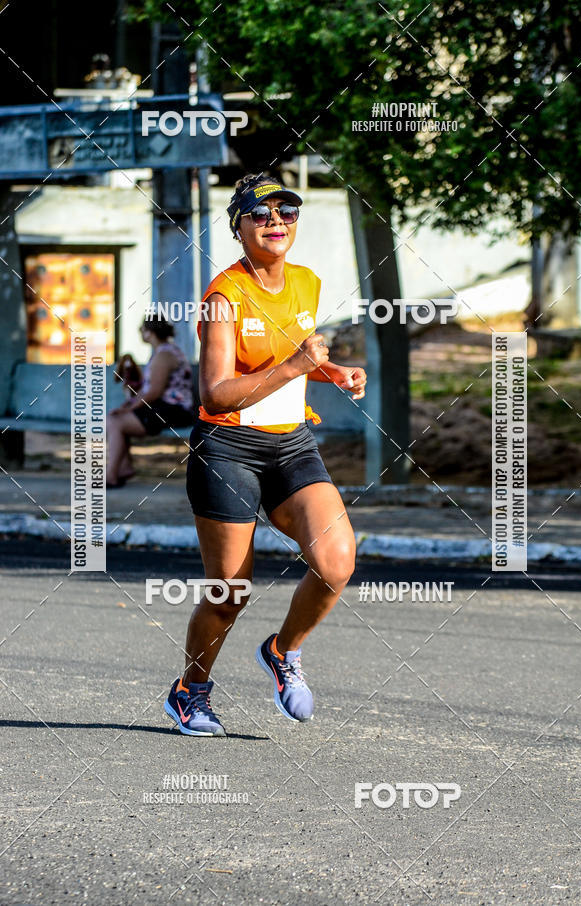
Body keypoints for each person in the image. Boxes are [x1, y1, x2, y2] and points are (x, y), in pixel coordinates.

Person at [164, 174, 367, 737]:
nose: (276, 221)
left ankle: (282, 651)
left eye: (287, 211)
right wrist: (298, 368)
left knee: (335, 562)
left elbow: (294, 356)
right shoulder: (223, 297)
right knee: (229, 592)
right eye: (260, 213)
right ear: (239, 227)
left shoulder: (306, 283)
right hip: (226, 450)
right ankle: (191, 690)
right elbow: (216, 393)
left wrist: (333, 372)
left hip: (291, 444)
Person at [106, 317, 194, 488]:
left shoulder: (164, 355)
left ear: (150, 332)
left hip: (174, 410)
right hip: (164, 408)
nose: (140, 332)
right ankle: (122, 468)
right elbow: (149, 391)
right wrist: (128, 406)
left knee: (115, 422)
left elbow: (154, 392)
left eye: (143, 328)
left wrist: (129, 408)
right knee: (114, 420)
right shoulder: (163, 352)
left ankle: (113, 474)